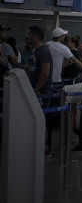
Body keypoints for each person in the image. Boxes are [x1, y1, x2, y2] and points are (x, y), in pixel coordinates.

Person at [25, 26, 53, 157]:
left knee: (41, 118)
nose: (28, 36)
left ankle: (45, 148)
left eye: (30, 34)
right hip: (34, 90)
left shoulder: (44, 51)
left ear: (35, 35)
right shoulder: (35, 51)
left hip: (41, 92)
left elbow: (45, 74)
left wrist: (36, 89)